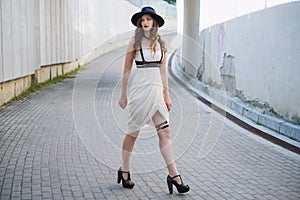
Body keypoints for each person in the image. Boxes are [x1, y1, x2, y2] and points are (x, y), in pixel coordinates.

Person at [117, 6, 190, 194]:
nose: (145, 22)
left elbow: (163, 70)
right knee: (133, 134)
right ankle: (124, 171)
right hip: (140, 93)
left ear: (155, 22)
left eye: (148, 19)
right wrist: (123, 94)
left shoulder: (162, 43)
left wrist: (167, 94)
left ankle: (174, 176)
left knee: (165, 133)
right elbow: (126, 70)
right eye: (142, 20)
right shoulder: (134, 42)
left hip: (157, 93)